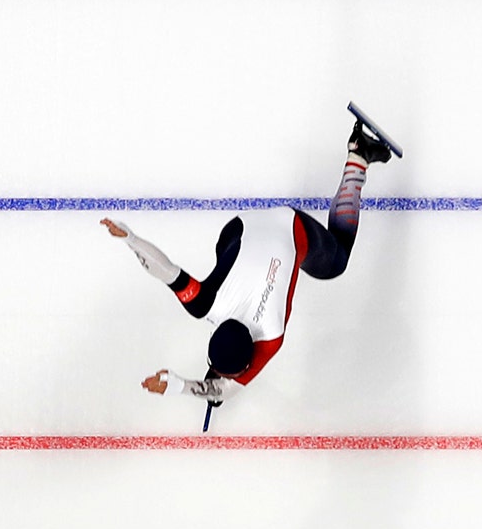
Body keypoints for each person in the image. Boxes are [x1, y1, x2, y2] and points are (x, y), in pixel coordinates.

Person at [104, 116, 395, 403]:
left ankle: (359, 155)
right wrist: (129, 238)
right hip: (239, 229)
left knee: (337, 261)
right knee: (221, 261)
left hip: (291, 229)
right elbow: (163, 269)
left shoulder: (271, 337)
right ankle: (358, 156)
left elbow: (226, 392)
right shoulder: (205, 305)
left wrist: (185, 386)